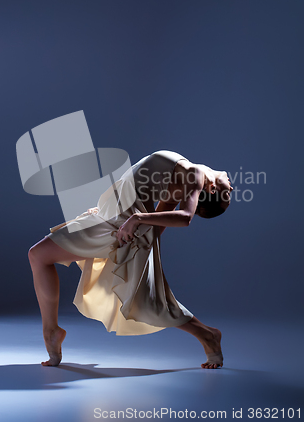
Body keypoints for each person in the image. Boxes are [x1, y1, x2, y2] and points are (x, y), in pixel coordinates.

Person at [28, 150, 233, 369]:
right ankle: (208, 334)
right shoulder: (183, 176)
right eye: (229, 192)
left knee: (150, 304)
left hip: (121, 224)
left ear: (211, 189)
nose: (230, 187)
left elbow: (185, 218)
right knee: (149, 302)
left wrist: (136, 223)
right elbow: (160, 218)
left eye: (227, 193)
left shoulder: (195, 174)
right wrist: (134, 234)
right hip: (112, 218)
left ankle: (50, 332)